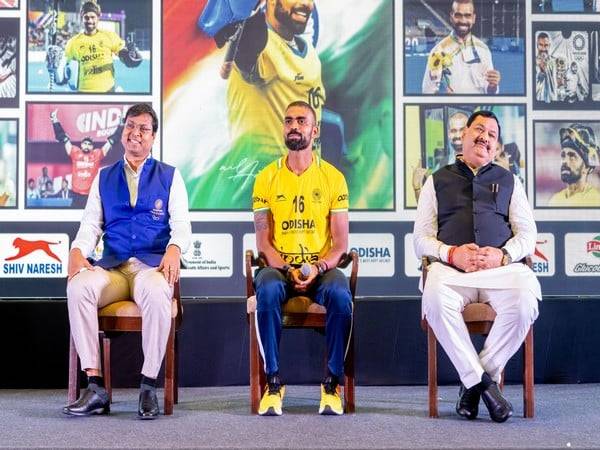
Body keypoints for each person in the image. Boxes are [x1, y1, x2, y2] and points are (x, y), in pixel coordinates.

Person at [63, 104, 191, 419]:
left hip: (151, 267)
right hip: (114, 268)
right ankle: (95, 386)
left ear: (153, 136)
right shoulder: (104, 177)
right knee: (79, 287)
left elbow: (182, 227)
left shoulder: (170, 176)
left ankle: (148, 387)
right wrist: (78, 250)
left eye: (143, 129)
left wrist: (175, 248)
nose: (134, 134)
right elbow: (91, 225)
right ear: (123, 131)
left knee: (160, 292)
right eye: (130, 126)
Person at [413, 110, 541, 423]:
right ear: (464, 135)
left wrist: (504, 255)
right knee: (434, 296)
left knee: (526, 299)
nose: (484, 137)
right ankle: (485, 384)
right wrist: (451, 252)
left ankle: (472, 385)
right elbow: (421, 240)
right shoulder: (437, 180)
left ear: (496, 147)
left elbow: (528, 234)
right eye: (479, 129)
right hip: (453, 271)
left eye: (492, 135)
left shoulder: (510, 180)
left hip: (500, 270)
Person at [251, 101, 351, 416]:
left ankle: (332, 384)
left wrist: (319, 267)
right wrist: (287, 268)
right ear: (283, 128)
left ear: (315, 130)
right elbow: (263, 243)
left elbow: (340, 244)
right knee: (265, 289)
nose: (295, 126)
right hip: (280, 269)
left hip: (321, 269)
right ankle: (274, 383)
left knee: (339, 294)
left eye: (302, 121)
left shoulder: (334, 178)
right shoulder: (266, 178)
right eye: (289, 121)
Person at [192, 0, 325, 207]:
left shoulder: (308, 52)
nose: (306, 4)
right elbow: (249, 51)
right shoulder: (259, 44)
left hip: (307, 190)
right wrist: (248, 17)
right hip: (262, 191)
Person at [46, 1, 142, 93]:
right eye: (86, 17)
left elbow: (124, 57)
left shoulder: (109, 36)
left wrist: (130, 56)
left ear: (98, 18)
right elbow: (64, 77)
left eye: (93, 17)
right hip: (83, 94)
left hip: (107, 92)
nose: (90, 20)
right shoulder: (73, 42)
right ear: (81, 18)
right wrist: (54, 68)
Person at [422, 0, 500, 94]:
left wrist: (493, 86)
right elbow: (427, 92)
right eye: (458, 15)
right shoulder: (438, 52)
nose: (463, 20)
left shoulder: (484, 50)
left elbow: (490, 91)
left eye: (467, 15)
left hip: (479, 108)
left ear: (474, 18)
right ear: (451, 17)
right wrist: (442, 96)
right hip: (451, 108)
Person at [50, 108, 122, 208]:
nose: (87, 146)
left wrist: (121, 125)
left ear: (92, 146)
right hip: (75, 195)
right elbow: (62, 138)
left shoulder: (97, 154)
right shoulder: (75, 152)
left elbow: (112, 141)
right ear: (81, 145)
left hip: (91, 196)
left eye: (89, 144)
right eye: (85, 143)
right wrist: (54, 120)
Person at [413, 111, 468, 201]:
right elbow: (427, 207)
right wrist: (416, 187)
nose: (458, 135)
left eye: (462, 130)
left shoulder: (480, 163)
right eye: (453, 131)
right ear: (449, 134)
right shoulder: (442, 165)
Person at [548, 124, 600, 207]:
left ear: (587, 167)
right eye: (563, 155)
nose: (564, 161)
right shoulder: (554, 200)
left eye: (572, 156)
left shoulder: (596, 201)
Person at [535, 32, 558, 103]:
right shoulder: (532, 62)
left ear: (549, 45)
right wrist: (541, 70)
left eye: (546, 45)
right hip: (538, 102)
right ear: (537, 45)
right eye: (541, 45)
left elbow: (555, 82)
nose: (543, 48)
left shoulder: (554, 61)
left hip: (553, 100)